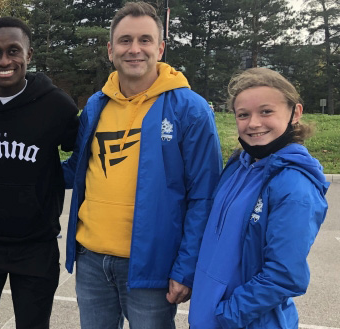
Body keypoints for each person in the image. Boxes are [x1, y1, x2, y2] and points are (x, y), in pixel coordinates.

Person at [63, 2, 222, 328]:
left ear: (160, 48)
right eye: (124, 41)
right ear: (110, 50)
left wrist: (185, 267)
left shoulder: (190, 109)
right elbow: (77, 168)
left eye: (145, 40)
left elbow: (204, 196)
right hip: (91, 261)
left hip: (153, 268)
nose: (134, 49)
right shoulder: (96, 105)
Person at [0, 17, 79, 329]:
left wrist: (57, 178)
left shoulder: (57, 105)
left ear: (29, 55)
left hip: (36, 244)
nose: (4, 61)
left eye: (13, 51)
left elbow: (81, 152)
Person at [188, 68, 329, 328]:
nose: (253, 123)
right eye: (243, 114)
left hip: (244, 321)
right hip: (209, 317)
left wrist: (225, 316)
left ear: (295, 113)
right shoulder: (238, 165)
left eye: (266, 111)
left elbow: (284, 276)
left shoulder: (294, 184)